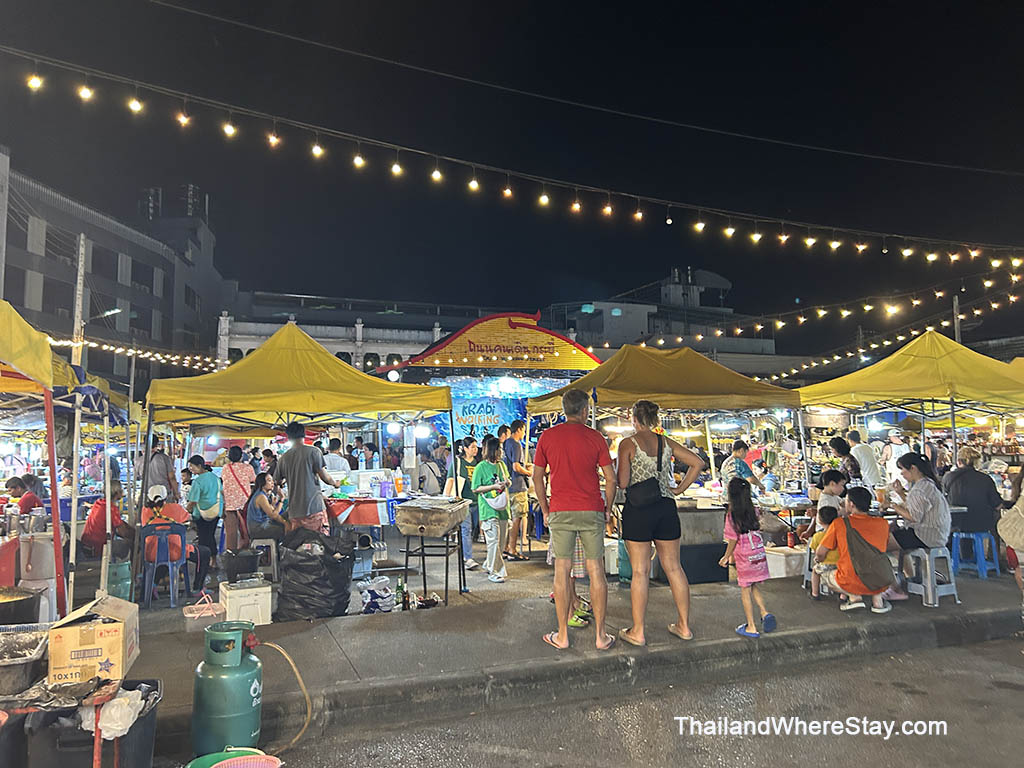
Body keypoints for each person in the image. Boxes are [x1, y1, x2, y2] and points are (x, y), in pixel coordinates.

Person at [532, 388, 617, 652]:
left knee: (562, 570)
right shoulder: (596, 438)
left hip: (560, 510)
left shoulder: (548, 437)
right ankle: (601, 636)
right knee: (596, 571)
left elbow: (537, 477)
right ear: (584, 411)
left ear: (564, 410)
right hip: (591, 509)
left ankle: (562, 635)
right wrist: (607, 508)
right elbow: (611, 479)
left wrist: (545, 509)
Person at [616, 400, 704, 646]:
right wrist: (678, 489)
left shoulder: (627, 444)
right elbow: (698, 463)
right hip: (665, 507)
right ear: (655, 420)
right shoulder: (666, 442)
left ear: (634, 419)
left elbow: (623, 482)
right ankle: (684, 626)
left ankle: (638, 631)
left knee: (640, 571)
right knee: (674, 568)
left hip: (638, 510)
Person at [815, 486, 899, 613]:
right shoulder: (882, 523)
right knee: (873, 568)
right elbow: (885, 546)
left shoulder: (839, 523)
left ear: (851, 504)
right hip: (881, 579)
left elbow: (821, 552)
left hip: (849, 581)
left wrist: (818, 559)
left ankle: (855, 598)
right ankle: (878, 602)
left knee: (823, 574)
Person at [719, 477, 776, 638]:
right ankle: (764, 612)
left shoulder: (732, 516)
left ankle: (751, 626)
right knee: (754, 584)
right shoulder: (754, 510)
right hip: (758, 553)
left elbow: (732, 539)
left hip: (745, 556)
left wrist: (726, 556)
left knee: (745, 589)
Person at [274, 422, 340, 535]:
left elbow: (278, 481)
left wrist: (288, 478)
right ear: (304, 434)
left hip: (295, 511)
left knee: (298, 542)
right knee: (319, 541)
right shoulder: (313, 451)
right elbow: (325, 477)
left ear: (288, 437)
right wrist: (335, 483)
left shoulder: (284, 458)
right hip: (314, 508)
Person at [141, 484, 209, 591]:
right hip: (175, 552)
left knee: (162, 555)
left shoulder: (144, 511)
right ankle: (198, 589)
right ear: (166, 497)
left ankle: (152, 586)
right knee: (205, 553)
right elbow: (190, 517)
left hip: (151, 553)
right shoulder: (175, 508)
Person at [473, 435, 512, 583]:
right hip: (488, 508)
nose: (501, 451)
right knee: (494, 541)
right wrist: (493, 487)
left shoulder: (501, 465)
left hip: (502, 507)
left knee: (500, 543)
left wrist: (507, 482)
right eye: (499, 448)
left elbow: (507, 479)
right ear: (492, 450)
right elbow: (475, 488)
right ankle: (495, 571)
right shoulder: (480, 467)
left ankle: (489, 564)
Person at [941, 446, 1001, 534]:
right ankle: (994, 541)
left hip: (956, 523)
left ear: (959, 461)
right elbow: (997, 504)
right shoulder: (985, 478)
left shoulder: (948, 477)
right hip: (981, 523)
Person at [445, 437, 481, 570]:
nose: (475, 450)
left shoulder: (478, 463)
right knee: (466, 529)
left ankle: (466, 554)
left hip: (477, 500)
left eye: (476, 447)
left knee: (473, 528)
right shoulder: (458, 462)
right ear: (465, 448)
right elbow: (450, 480)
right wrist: (446, 498)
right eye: (472, 447)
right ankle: (468, 558)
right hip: (463, 501)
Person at [502, 419, 532, 562]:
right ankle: (512, 550)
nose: (524, 433)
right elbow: (516, 467)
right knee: (517, 518)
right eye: (524, 430)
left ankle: (506, 547)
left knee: (509, 519)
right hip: (518, 486)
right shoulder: (516, 444)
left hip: (508, 486)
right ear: (519, 429)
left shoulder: (506, 443)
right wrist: (528, 472)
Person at [186, 456, 223, 568]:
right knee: (210, 536)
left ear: (199, 466)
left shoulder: (198, 481)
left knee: (203, 538)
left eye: (192, 466)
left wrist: (185, 510)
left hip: (202, 514)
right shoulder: (215, 478)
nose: (190, 469)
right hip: (216, 511)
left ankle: (204, 563)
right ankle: (213, 560)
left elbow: (193, 501)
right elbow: (221, 493)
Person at [81, 480, 133, 559]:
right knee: (129, 544)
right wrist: (134, 534)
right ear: (117, 492)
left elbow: (119, 524)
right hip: (98, 547)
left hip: (87, 544)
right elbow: (123, 532)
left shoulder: (98, 503)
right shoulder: (111, 508)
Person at [222, 445, 256, 551]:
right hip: (244, 503)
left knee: (231, 532)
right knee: (246, 530)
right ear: (241, 456)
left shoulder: (226, 468)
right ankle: (245, 551)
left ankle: (231, 553)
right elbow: (253, 480)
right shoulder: (248, 468)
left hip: (229, 503)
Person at [808, 505, 840, 599]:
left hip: (826, 565)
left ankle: (815, 593)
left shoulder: (818, 536)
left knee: (815, 571)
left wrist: (817, 560)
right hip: (840, 564)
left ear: (820, 521)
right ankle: (843, 596)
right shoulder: (841, 534)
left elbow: (817, 553)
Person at [246, 472, 287, 542]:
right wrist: (282, 499)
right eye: (269, 480)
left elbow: (274, 513)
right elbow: (274, 516)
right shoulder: (261, 497)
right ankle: (285, 547)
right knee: (286, 529)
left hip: (263, 525)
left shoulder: (264, 495)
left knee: (287, 517)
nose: (272, 483)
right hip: (258, 529)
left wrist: (273, 505)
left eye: (272, 480)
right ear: (262, 483)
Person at [135, 438, 179, 503]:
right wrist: (176, 493)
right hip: (164, 495)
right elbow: (172, 477)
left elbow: (137, 477)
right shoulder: (164, 458)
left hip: (147, 495)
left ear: (145, 445)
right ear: (157, 445)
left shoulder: (138, 461)